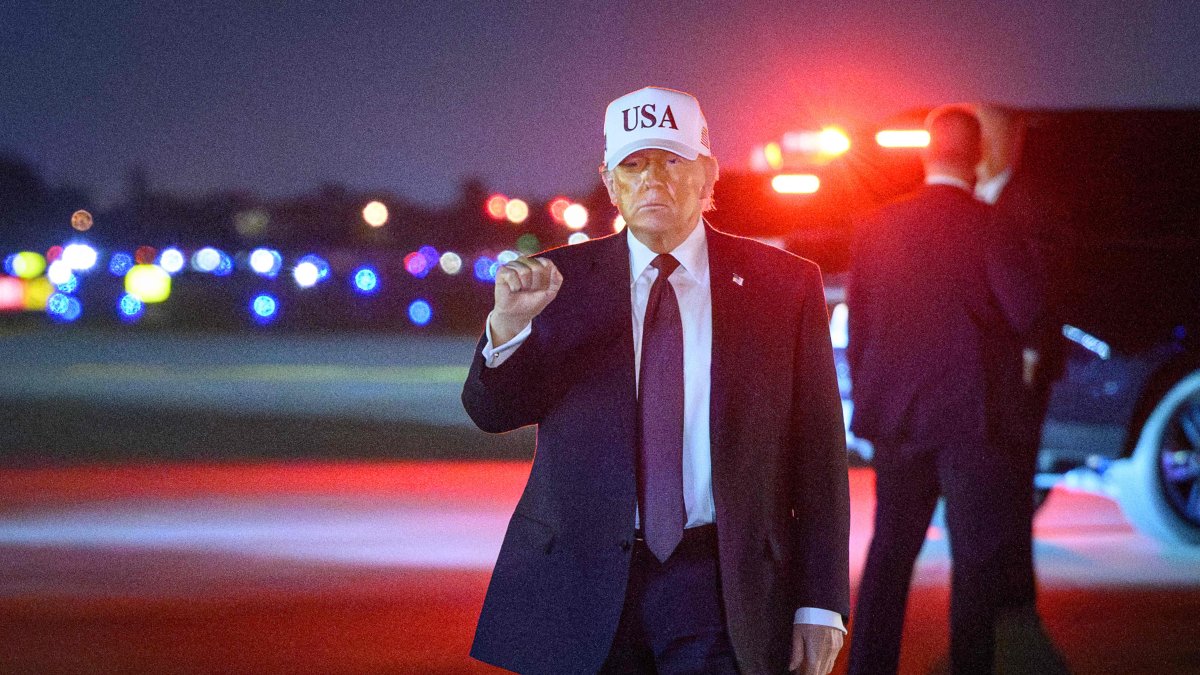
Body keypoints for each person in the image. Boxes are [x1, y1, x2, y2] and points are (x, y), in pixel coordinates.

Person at [462, 86, 850, 675]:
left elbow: (818, 456)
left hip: (721, 583)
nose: (654, 181)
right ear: (611, 181)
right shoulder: (555, 283)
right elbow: (493, 414)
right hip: (582, 581)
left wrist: (820, 602)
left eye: (673, 162)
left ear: (708, 174)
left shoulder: (783, 285)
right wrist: (508, 325)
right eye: (635, 165)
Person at [845, 105, 1041, 674]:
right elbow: (1026, 312)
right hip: (971, 420)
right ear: (978, 156)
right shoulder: (989, 224)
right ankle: (969, 666)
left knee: (889, 554)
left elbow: (861, 328)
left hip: (899, 419)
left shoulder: (875, 226)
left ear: (926, 154)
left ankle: (868, 666)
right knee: (973, 559)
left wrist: (872, 403)